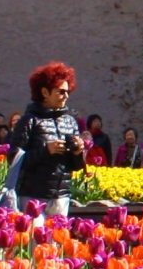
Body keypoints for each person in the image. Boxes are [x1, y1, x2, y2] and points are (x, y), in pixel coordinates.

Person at [10, 62, 86, 217]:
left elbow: (75, 166)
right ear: (45, 92)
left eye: (68, 92)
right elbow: (14, 159)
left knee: (58, 240)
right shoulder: (29, 121)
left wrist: (78, 152)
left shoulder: (70, 122)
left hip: (61, 197)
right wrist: (46, 150)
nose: (66, 96)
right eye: (61, 92)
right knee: (36, 240)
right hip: (33, 196)